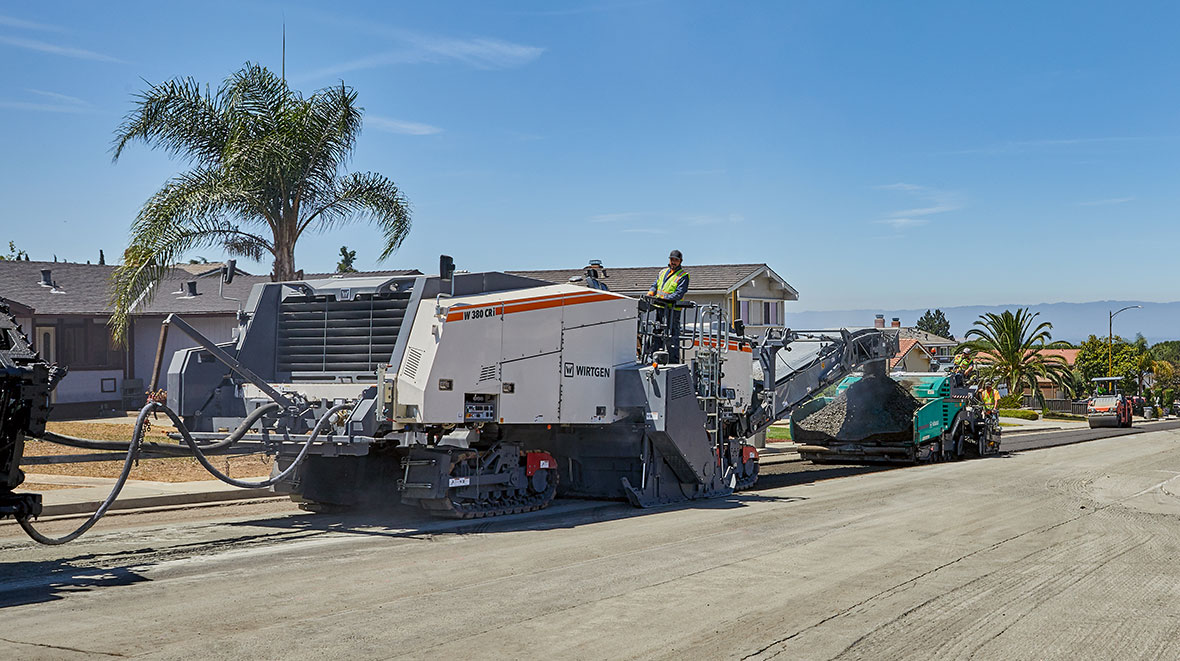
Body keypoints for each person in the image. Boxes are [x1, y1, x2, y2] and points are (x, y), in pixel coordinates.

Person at [647, 249, 690, 361]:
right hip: (660, 308)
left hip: (673, 310)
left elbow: (679, 293)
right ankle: (655, 358)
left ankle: (673, 360)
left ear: (680, 261)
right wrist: (651, 292)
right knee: (657, 333)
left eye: (676, 260)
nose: (673, 262)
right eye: (672, 259)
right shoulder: (662, 272)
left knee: (671, 335)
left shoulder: (683, 276)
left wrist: (664, 298)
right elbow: (655, 285)